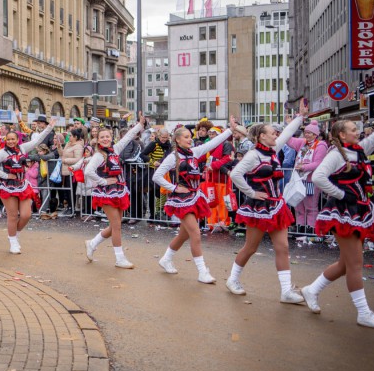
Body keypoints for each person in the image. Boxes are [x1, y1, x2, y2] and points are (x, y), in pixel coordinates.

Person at [301, 98, 374, 329]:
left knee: (345, 263)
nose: (357, 131)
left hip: (359, 210)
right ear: (341, 135)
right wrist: (341, 195)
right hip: (342, 212)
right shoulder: (336, 154)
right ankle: (363, 312)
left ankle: (311, 289)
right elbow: (319, 177)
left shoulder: (359, 150)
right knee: (355, 264)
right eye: (352, 129)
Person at [226, 101, 309, 303]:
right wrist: (251, 193)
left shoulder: (273, 150)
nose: (276, 135)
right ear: (262, 136)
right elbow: (236, 174)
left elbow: (288, 133)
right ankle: (232, 279)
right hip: (258, 208)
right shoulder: (253, 155)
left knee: (283, 247)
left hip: (276, 205)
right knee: (250, 247)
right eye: (272, 133)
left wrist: (300, 117)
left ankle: (286, 291)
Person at [152, 117, 237, 283]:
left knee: (184, 235)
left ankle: (166, 259)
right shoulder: (173, 157)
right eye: (186, 137)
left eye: (191, 136)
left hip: (194, 196)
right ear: (177, 139)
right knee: (196, 233)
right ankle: (202, 271)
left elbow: (213, 143)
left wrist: (229, 130)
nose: (190, 139)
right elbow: (157, 176)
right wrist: (174, 188)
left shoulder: (195, 152)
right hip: (182, 200)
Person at [83, 112, 147, 269]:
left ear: (111, 137)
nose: (105, 139)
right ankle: (119, 258)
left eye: (108, 136)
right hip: (106, 193)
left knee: (113, 226)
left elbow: (128, 137)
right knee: (117, 225)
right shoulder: (99, 155)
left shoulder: (115, 149)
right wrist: (103, 181)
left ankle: (92, 243)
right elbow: (88, 171)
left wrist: (140, 124)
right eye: (102, 137)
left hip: (118, 190)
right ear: (98, 140)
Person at [0, 118, 56, 253]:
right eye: (9, 139)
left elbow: (37, 141)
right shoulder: (2, 153)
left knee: (26, 215)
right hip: (7, 185)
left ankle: (15, 235)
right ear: (5, 140)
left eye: (13, 139)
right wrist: (5, 176)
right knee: (12, 216)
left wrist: (49, 128)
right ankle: (13, 241)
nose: (11, 141)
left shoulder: (23, 148)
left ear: (17, 139)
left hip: (22, 184)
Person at [287, 120, 327, 233]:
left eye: (310, 133)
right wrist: (291, 124)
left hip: (311, 180)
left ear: (316, 134)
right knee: (298, 205)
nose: (307, 134)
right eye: (306, 132)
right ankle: (300, 227)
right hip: (298, 180)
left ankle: (311, 229)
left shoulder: (321, 145)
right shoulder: (303, 143)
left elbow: (318, 163)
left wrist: (304, 167)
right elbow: (288, 140)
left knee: (310, 206)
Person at [57, 128, 85, 217]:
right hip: (65, 171)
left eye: (70, 135)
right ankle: (69, 207)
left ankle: (72, 208)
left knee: (71, 191)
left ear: (75, 137)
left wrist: (65, 160)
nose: (68, 137)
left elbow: (78, 159)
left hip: (72, 172)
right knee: (67, 191)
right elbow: (62, 154)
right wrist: (59, 147)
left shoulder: (78, 146)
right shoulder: (68, 144)